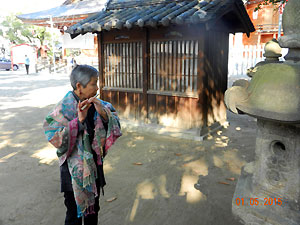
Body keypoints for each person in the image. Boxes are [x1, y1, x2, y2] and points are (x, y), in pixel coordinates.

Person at [43, 65, 122, 225]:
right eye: (94, 83)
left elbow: (115, 122)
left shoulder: (98, 104)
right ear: (79, 86)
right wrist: (78, 122)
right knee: (74, 216)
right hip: (72, 173)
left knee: (93, 212)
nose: (97, 87)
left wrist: (104, 114)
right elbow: (54, 138)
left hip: (93, 170)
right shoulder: (63, 108)